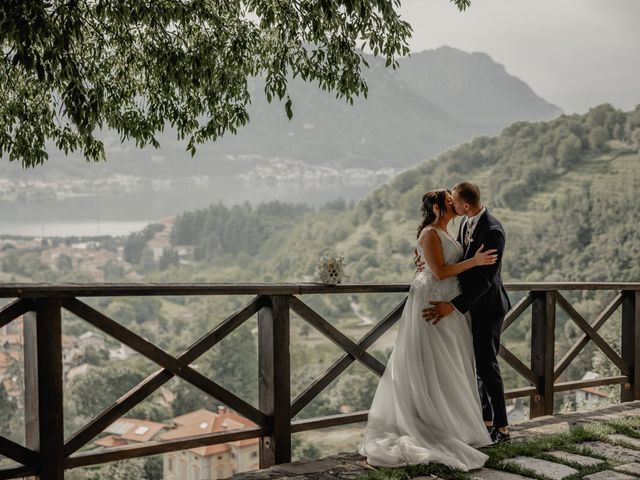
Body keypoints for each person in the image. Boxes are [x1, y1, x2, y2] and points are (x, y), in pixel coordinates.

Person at [359, 189, 497, 470]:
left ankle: (452, 423)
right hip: (433, 300)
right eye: (448, 201)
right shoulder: (430, 233)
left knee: (452, 362)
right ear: (437, 207)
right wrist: (475, 262)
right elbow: (439, 271)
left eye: (453, 199)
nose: (453, 203)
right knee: (432, 360)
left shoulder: (449, 232)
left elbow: (444, 264)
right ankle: (430, 423)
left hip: (450, 302)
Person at [422, 182, 512, 444]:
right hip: (471, 304)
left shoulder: (493, 231)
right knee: (476, 365)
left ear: (466, 205)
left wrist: (454, 305)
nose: (451, 204)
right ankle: (485, 421)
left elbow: (485, 280)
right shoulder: (465, 223)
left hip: (488, 306)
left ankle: (503, 428)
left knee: (487, 365)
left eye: (454, 201)